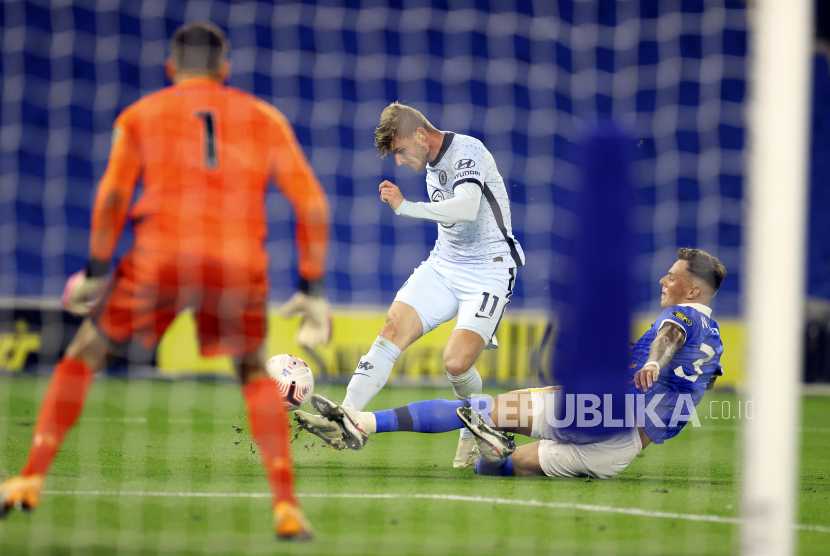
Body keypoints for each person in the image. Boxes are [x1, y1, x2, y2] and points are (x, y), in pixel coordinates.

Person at [0, 22, 329, 541]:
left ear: (170, 68)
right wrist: (312, 288)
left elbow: (112, 197)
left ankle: (30, 479)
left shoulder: (140, 115)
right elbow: (311, 202)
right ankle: (286, 507)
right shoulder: (265, 118)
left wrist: (94, 273)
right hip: (237, 264)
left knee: (84, 353)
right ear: (225, 69)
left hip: (160, 257)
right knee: (249, 372)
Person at [296, 248, 726, 479]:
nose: (664, 281)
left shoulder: (681, 316)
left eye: (673, 276)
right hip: (619, 453)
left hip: (595, 414)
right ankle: (492, 448)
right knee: (501, 468)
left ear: (693, 292)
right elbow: (698, 387)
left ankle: (362, 424)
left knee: (478, 410)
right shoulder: (717, 346)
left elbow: (671, 337)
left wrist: (652, 362)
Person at [336, 102, 525, 467]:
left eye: (400, 151)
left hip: (490, 268)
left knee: (455, 363)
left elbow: (467, 208)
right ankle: (346, 417)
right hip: (444, 265)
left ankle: (474, 427)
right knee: (392, 329)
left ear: (421, 135)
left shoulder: (467, 151)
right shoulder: (431, 164)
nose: (399, 161)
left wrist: (406, 208)